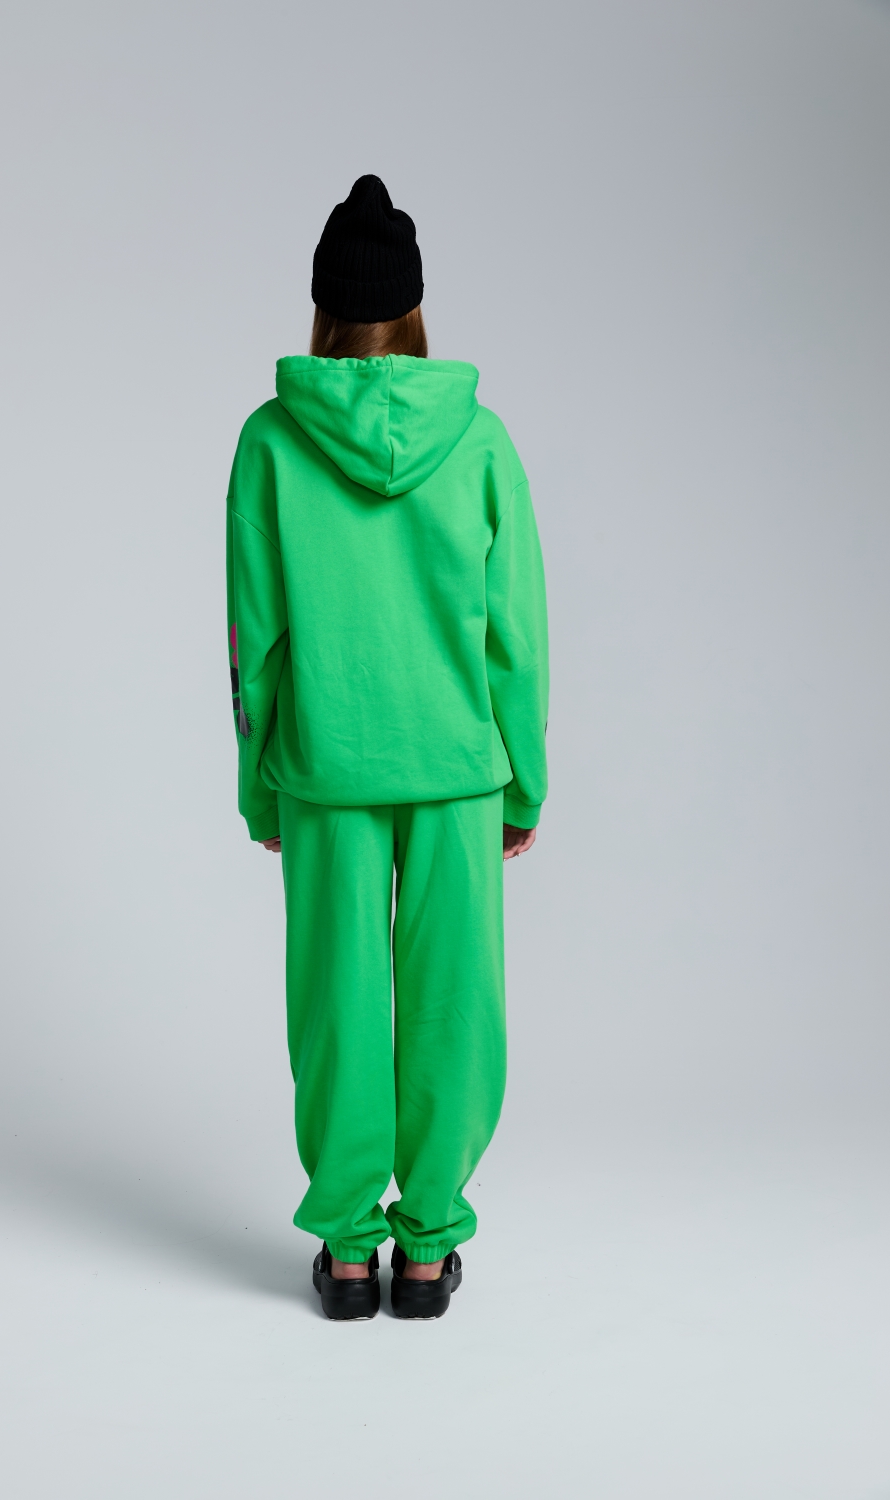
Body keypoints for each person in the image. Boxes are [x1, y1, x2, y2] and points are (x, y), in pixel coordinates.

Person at [226, 175, 548, 1319]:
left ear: (321, 306)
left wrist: (260, 788)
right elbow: (516, 634)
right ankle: (427, 1251)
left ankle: (350, 1250)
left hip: (326, 764)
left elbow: (254, 636)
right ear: (414, 307)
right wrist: (524, 784)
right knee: (454, 1000)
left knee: (337, 1003)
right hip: (457, 767)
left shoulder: (271, 441)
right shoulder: (481, 440)